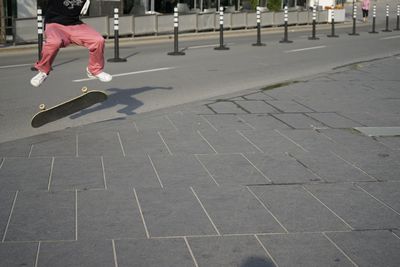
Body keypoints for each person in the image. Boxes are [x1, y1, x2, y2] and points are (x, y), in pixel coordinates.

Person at [31, 0, 112, 87]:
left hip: (75, 25)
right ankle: (43, 71)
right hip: (55, 24)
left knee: (98, 40)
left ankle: (94, 70)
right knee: (54, 42)